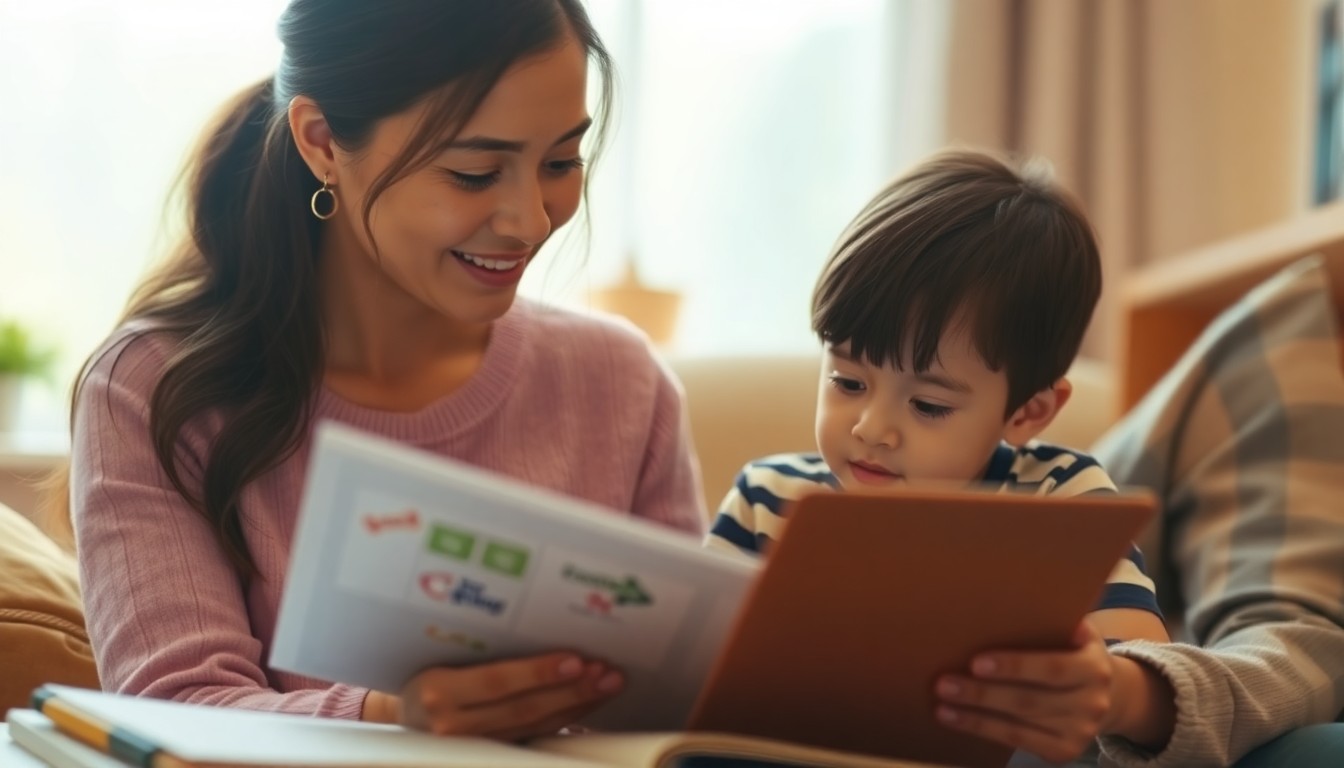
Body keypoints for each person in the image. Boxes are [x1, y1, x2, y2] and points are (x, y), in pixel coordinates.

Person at [64, 0, 704, 743]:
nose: (531, 220)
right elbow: (173, 709)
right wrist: (392, 719)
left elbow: (689, 701)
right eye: (473, 173)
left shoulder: (623, 382)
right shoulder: (152, 390)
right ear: (322, 141)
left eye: (561, 163)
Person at [706, 150, 1173, 764]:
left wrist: (1101, 684)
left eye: (927, 406)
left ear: (1027, 413)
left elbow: (1142, 658)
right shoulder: (769, 496)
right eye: (847, 381)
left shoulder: (1060, 499)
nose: (872, 430)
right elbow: (692, 660)